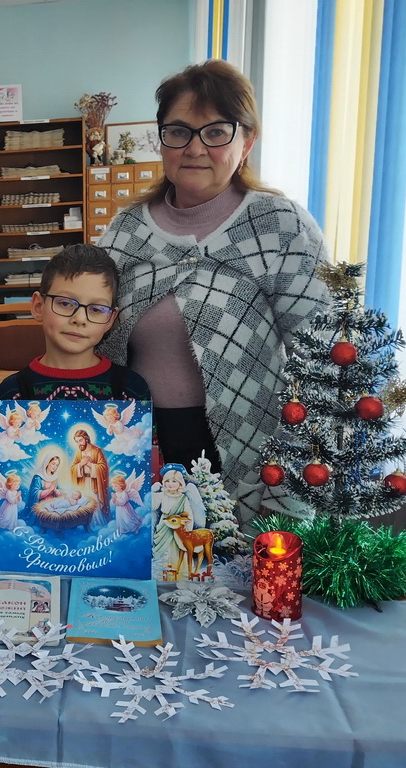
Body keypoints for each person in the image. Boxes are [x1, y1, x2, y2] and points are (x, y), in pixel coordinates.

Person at [96, 59, 329, 520]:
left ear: (247, 142)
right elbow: (92, 334)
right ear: (161, 140)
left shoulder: (280, 226)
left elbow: (322, 361)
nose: (195, 148)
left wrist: (292, 483)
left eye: (217, 132)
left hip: (248, 453)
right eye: (178, 132)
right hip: (135, 453)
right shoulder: (125, 231)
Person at [0, 244, 150, 403]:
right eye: (65, 303)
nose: (80, 319)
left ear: (110, 319)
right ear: (39, 307)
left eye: (96, 309)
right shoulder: (11, 392)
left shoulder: (132, 389)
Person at [152, 463, 207, 581]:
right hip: (164, 529)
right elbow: (152, 505)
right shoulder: (162, 496)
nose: (170, 484)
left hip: (178, 530)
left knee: (178, 550)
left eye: (174, 481)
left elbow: (188, 513)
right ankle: (163, 573)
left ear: (180, 483)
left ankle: (180, 574)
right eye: (167, 481)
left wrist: (187, 526)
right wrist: (151, 494)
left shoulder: (183, 498)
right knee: (166, 551)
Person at [70, 428, 110, 512]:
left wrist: (89, 464)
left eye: (80, 440)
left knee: (95, 506)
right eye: (77, 441)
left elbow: (103, 468)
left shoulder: (97, 451)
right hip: (83, 484)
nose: (79, 444)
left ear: (86, 439)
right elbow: (73, 468)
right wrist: (81, 464)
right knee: (84, 505)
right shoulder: (78, 453)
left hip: (95, 484)